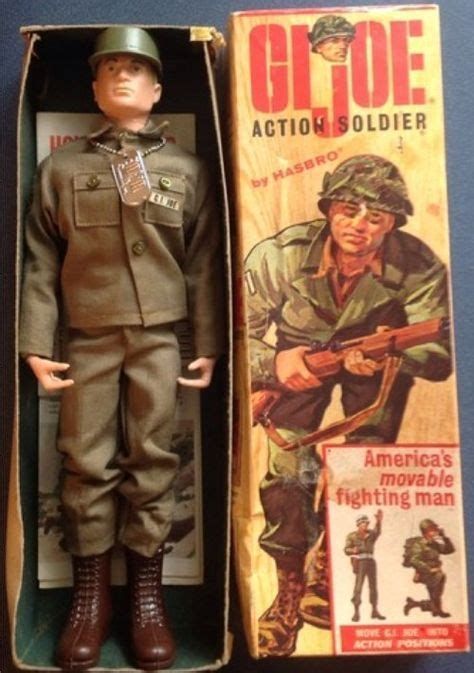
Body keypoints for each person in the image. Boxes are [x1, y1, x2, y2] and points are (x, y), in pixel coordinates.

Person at [19, 25, 223, 671]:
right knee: (83, 459)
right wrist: (35, 342)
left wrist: (207, 342)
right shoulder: (62, 170)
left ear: (158, 89)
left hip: (161, 339)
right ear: (93, 90)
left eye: (135, 69)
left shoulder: (186, 171)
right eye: (109, 70)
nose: (122, 77)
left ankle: (146, 599)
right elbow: (39, 262)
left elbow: (204, 263)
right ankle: (90, 599)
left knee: (154, 458)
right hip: (87, 337)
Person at [245, 154, 451, 656]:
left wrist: (390, 355)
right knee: (288, 473)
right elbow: (232, 334)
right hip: (298, 361)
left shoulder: (420, 265)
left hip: (378, 367)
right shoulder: (279, 255)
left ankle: (330, 571)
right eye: (348, 210)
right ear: (329, 209)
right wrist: (275, 363)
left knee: (364, 467)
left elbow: (440, 352)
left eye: (375, 216)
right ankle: (288, 590)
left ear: (392, 223)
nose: (360, 225)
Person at [403, 519, 455, 618]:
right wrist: (429, 570)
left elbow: (449, 550)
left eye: (435, 528)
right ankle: (436, 609)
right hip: (425, 573)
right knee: (436, 593)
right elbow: (414, 560)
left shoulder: (434, 543)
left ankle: (416, 605)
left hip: (436, 572)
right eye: (433, 529)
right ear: (426, 531)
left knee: (436, 595)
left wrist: (444, 537)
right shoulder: (419, 544)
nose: (436, 530)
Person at [344, 511, 385, 622]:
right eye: (363, 523)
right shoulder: (352, 536)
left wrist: (378, 521)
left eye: (366, 523)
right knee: (358, 587)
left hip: (371, 561)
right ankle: (356, 612)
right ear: (358, 524)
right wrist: (353, 550)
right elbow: (346, 550)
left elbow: (377, 532)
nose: (365, 525)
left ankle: (374, 610)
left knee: (373, 587)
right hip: (360, 562)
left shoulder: (371, 534)